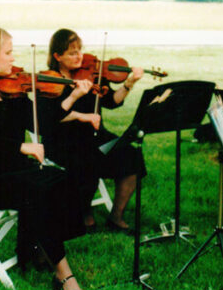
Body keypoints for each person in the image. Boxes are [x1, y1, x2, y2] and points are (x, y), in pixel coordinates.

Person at [0, 26, 93, 290]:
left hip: (13, 170)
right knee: (40, 190)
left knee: (64, 179)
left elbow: (45, 124)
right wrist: (20, 146)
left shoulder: (12, 90)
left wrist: (73, 96)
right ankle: (63, 274)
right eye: (7, 52)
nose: (12, 58)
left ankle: (37, 250)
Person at [40, 28, 147, 232]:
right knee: (89, 159)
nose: (80, 56)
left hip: (95, 136)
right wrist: (82, 114)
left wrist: (129, 83)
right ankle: (84, 212)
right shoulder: (50, 81)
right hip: (63, 141)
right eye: (72, 52)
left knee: (131, 155)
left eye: (80, 50)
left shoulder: (91, 75)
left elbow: (112, 101)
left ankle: (116, 216)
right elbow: (50, 118)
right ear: (57, 56)